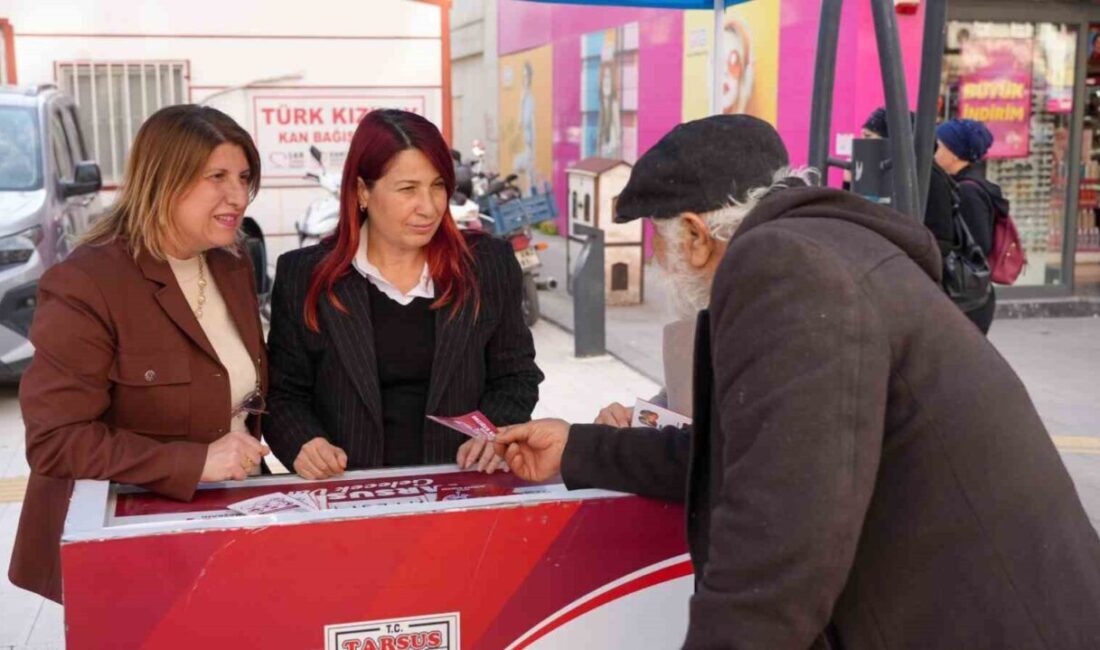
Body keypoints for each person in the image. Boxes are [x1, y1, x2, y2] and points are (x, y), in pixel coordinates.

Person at [494, 116, 1100, 648]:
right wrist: (579, 447)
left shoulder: (782, 269)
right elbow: (759, 454)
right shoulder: (819, 249)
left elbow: (774, 554)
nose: (657, 261)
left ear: (696, 236)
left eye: (660, 241)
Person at [9, 105, 270, 603]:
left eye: (242, 177)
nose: (236, 196)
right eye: (216, 177)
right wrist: (192, 462)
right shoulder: (87, 282)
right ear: (163, 179)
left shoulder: (230, 262)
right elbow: (55, 441)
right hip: (125, 543)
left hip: (219, 525)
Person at [264, 109, 543, 480]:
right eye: (408, 189)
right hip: (348, 494)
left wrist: (494, 431)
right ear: (363, 191)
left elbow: (517, 376)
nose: (428, 207)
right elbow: (283, 394)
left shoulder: (487, 265)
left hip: (462, 486)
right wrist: (304, 443)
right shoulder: (305, 276)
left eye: (439, 185)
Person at [593, 114, 791, 427]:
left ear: (696, 237)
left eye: (656, 231)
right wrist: (631, 428)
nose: (653, 255)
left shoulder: (790, 328)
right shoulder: (747, 301)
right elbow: (686, 408)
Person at [935, 118, 1003, 333]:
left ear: (954, 153)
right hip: (967, 294)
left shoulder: (968, 191)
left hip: (967, 298)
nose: (934, 151)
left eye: (939, 145)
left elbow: (978, 245)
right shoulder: (962, 184)